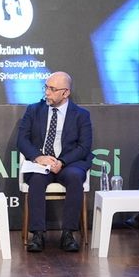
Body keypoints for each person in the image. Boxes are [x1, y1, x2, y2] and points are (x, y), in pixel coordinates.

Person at [17, 71, 93, 252]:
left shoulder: (81, 115)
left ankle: (68, 234)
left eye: (52, 89)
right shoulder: (33, 110)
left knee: (75, 178)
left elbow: (84, 147)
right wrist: (39, 157)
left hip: (69, 163)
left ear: (65, 93)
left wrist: (62, 162)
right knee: (36, 180)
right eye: (46, 87)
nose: (47, 93)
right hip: (42, 163)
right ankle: (37, 235)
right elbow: (22, 140)